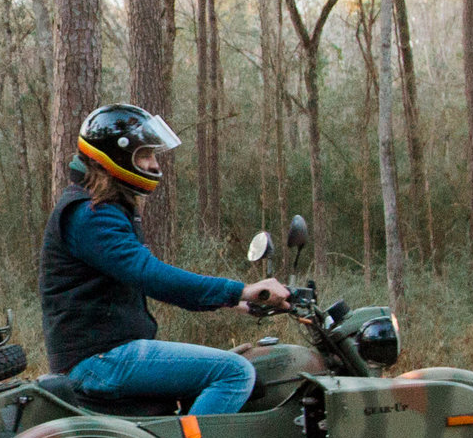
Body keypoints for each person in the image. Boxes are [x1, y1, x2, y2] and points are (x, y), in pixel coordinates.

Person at [40, 103, 290, 421]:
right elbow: (150, 274)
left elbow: (143, 279)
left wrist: (236, 303)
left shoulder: (105, 207)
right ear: (114, 158)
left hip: (104, 354)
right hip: (100, 360)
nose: (155, 165)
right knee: (234, 372)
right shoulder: (91, 214)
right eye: (145, 156)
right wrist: (239, 290)